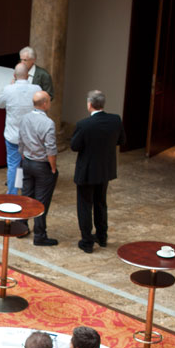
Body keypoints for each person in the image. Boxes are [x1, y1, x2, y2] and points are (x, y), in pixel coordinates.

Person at [69, 90, 126, 253]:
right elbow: (122, 140)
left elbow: (74, 146)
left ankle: (87, 241)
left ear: (89, 104)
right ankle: (102, 237)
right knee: (101, 203)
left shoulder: (84, 124)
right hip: (104, 170)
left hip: (87, 171)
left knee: (85, 205)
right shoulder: (115, 120)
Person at [19, 91, 59, 246]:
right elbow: (51, 149)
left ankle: (21, 227)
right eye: (49, 101)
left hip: (27, 162)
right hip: (42, 165)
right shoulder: (48, 123)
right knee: (41, 202)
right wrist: (53, 168)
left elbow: (21, 139)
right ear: (44, 104)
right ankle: (40, 235)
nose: (50, 103)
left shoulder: (25, 118)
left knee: (26, 196)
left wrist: (23, 156)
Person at [0, 63, 41, 196]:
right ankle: (27, 192)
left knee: (13, 166)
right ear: (28, 75)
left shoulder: (8, 89)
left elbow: (0, 105)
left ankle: (12, 193)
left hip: (13, 135)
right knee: (28, 164)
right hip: (31, 135)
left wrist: (10, 86)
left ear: (14, 76)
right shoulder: (36, 88)